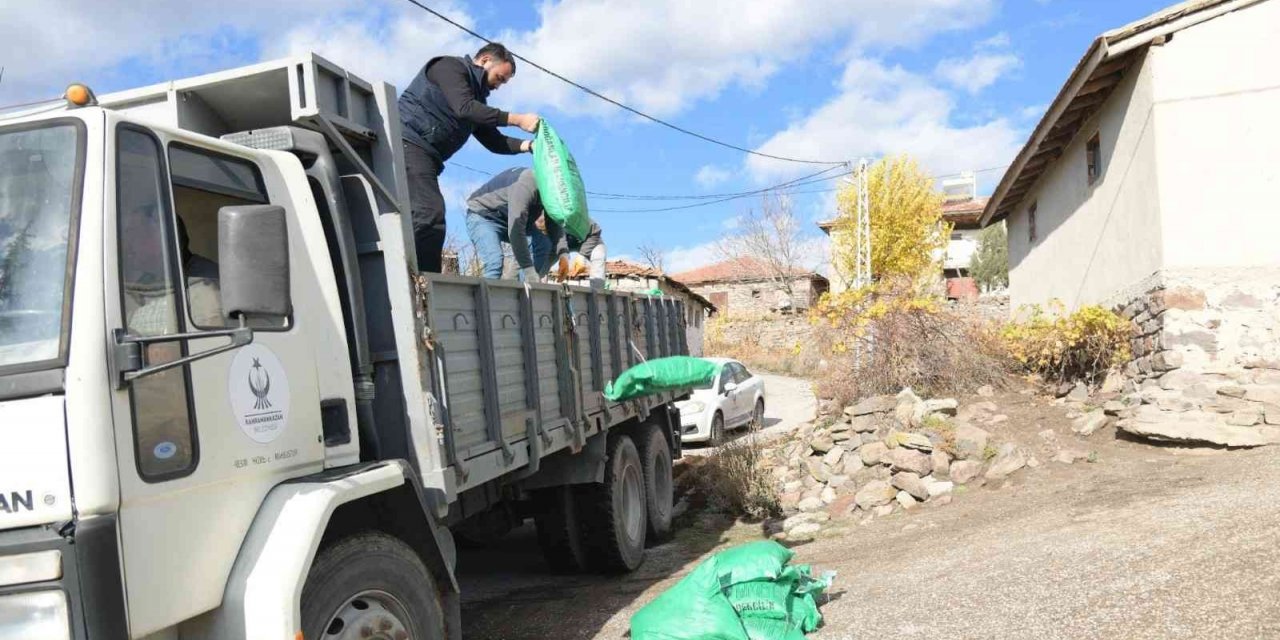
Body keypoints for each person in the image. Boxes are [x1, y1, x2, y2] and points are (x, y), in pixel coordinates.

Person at [398, 43, 541, 273]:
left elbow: (494, 141)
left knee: (429, 215)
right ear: (485, 60)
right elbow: (464, 108)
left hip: (426, 157)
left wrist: (529, 146)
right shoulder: (449, 67)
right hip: (409, 143)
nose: (499, 85)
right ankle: (416, 283)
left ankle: (423, 285)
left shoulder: (477, 103)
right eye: (500, 78)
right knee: (429, 214)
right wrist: (517, 119)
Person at [465, 167, 565, 281]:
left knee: (543, 244)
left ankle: (524, 292)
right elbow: (516, 231)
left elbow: (554, 223)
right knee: (494, 261)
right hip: (484, 216)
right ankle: (487, 298)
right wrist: (528, 269)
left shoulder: (552, 193)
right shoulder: (525, 185)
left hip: (511, 220)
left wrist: (563, 254)